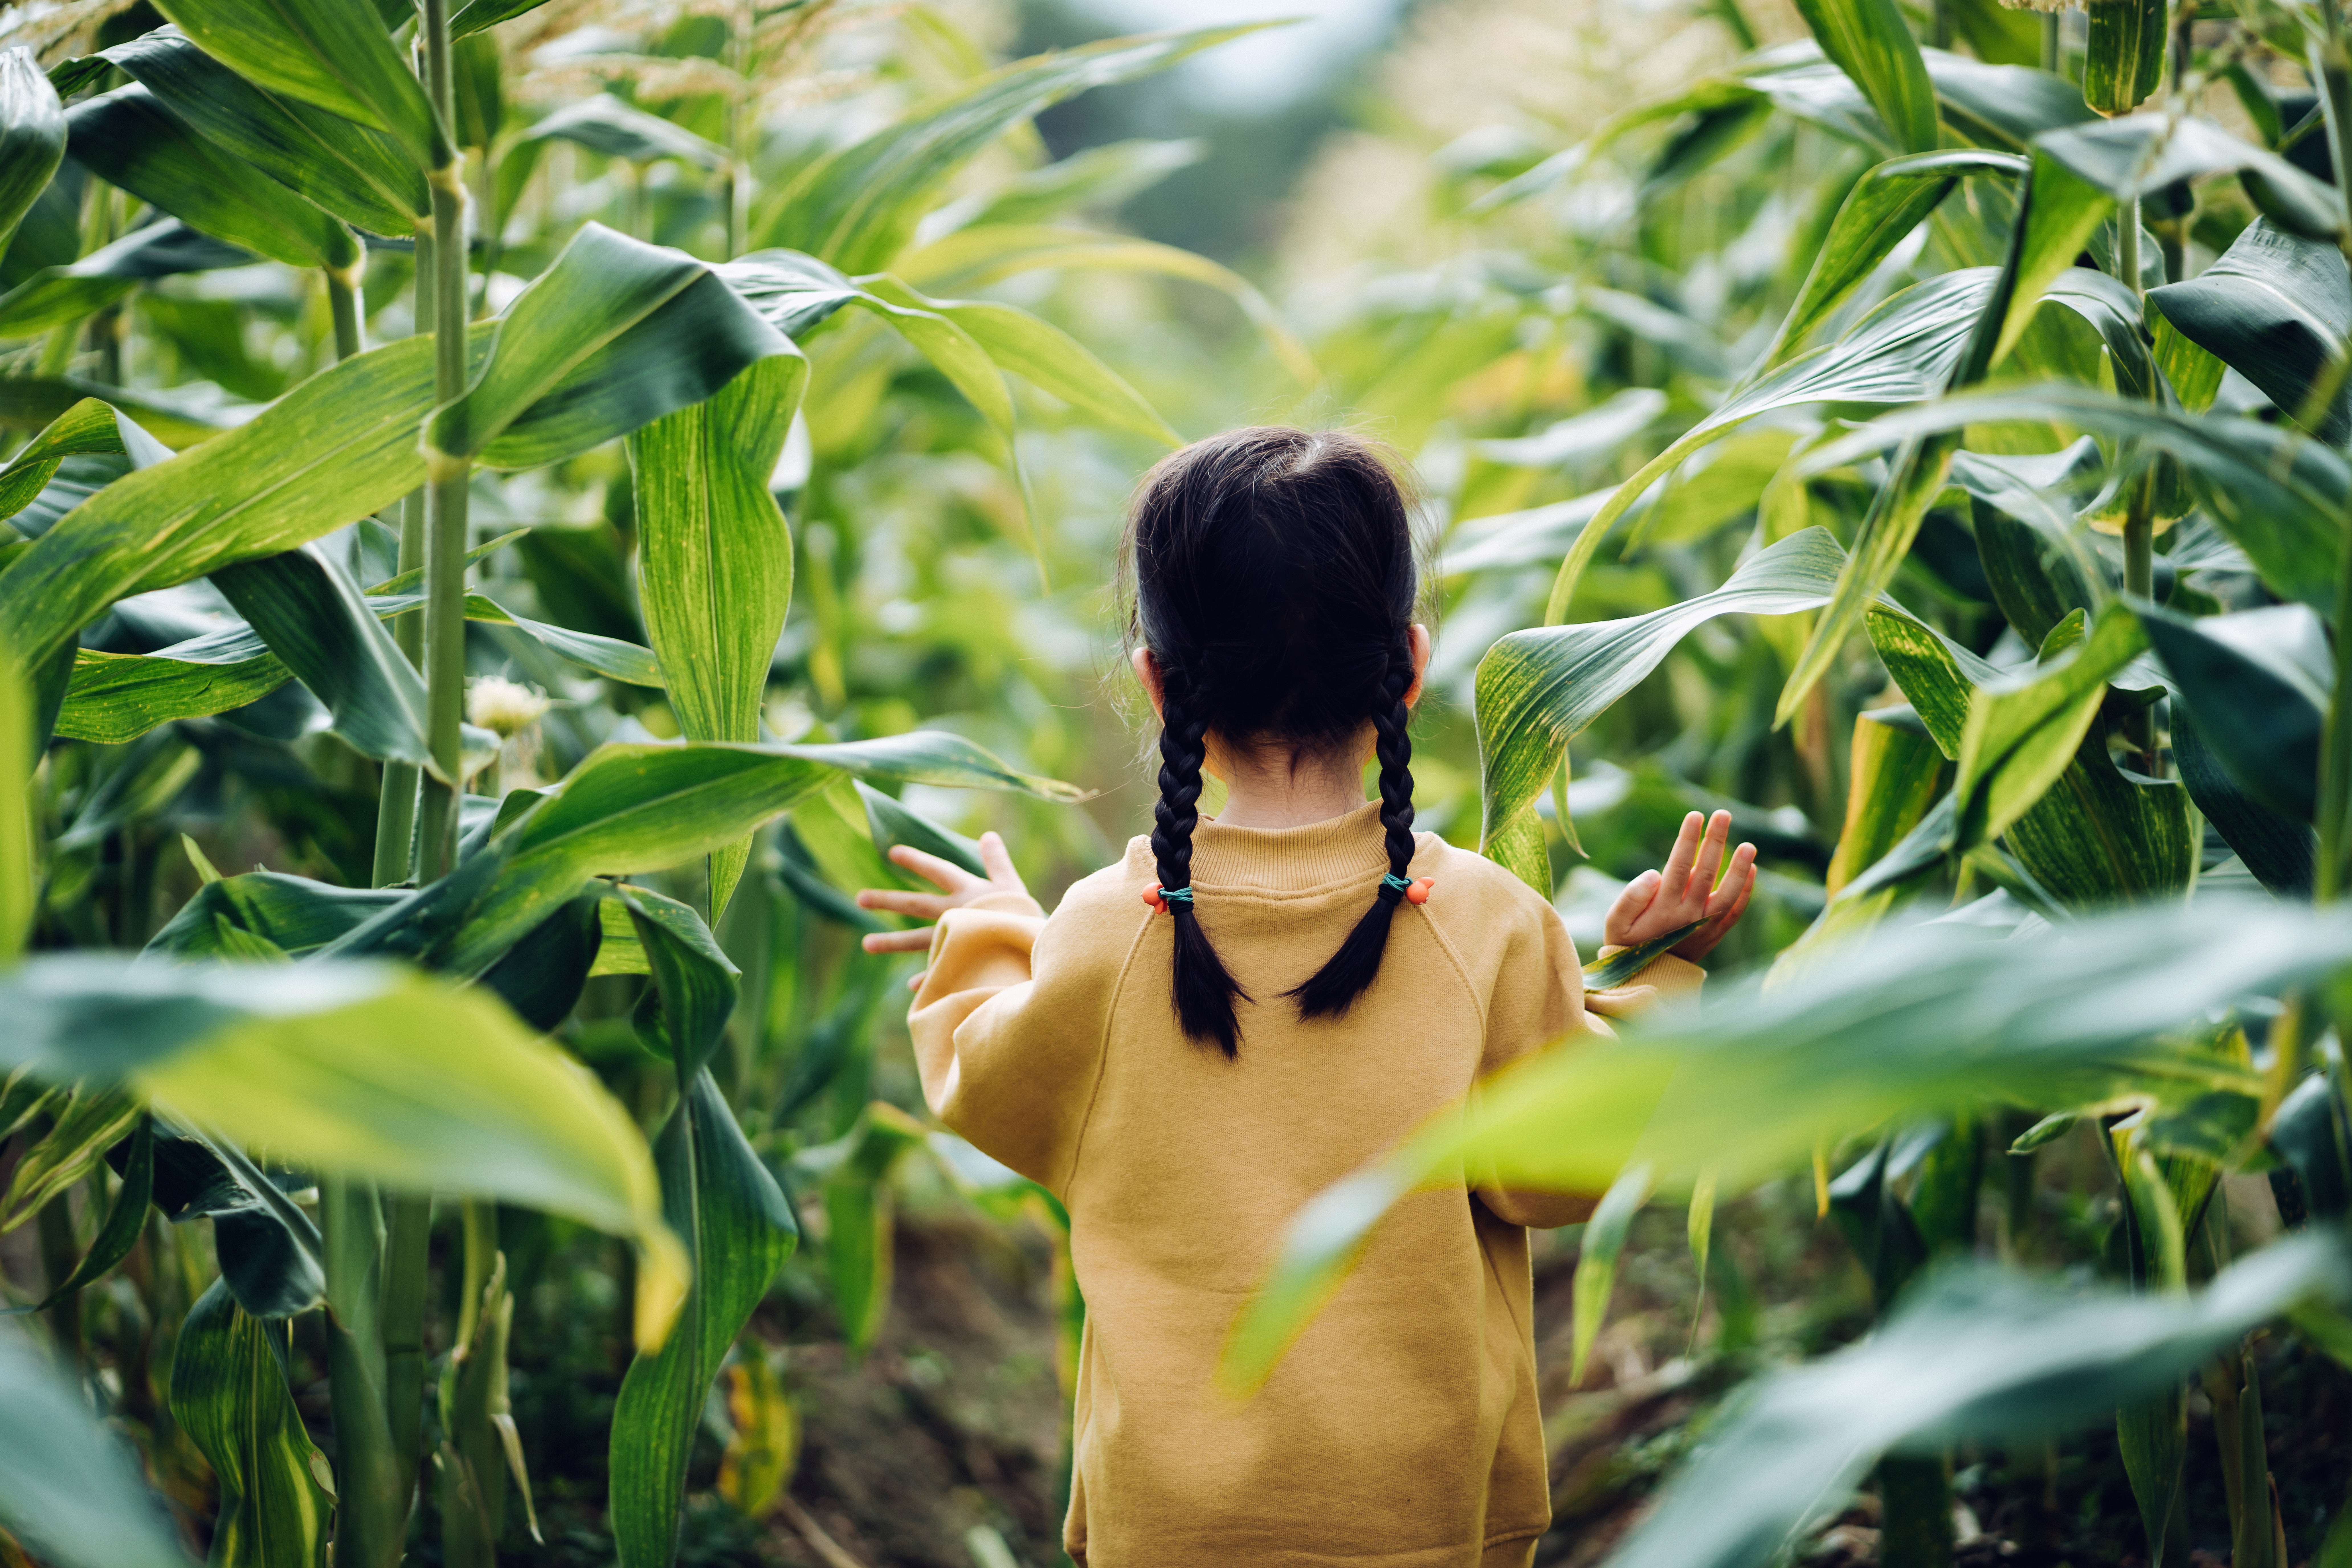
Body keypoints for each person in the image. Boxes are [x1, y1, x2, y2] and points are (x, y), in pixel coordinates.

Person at [854, 427, 1756, 1568]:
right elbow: (1564, 1159)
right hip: (1426, 1519)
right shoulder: (1480, 922)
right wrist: (1655, 977)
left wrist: (994, 930)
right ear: (1412, 665)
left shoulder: (1105, 932)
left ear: (1158, 683)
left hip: (1169, 1526)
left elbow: (991, 1075)